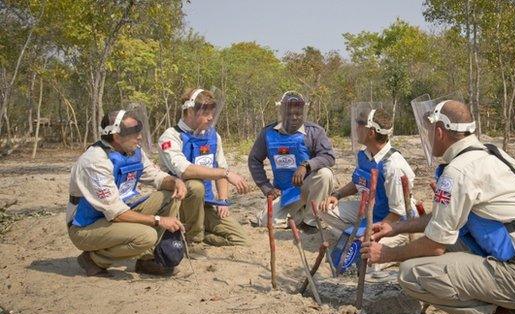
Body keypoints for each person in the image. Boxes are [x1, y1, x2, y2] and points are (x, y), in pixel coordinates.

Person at [362, 99, 515, 314]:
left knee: (412, 273)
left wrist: (388, 254)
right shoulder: (490, 155)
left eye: (428, 131)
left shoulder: (458, 171)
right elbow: (443, 221)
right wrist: (397, 227)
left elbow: (435, 245)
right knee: (450, 243)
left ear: (439, 132)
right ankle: (505, 310)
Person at [67, 109, 187, 277]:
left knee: (170, 196)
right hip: (86, 225)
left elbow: (156, 176)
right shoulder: (95, 161)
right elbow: (115, 213)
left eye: (139, 131)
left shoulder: (134, 151)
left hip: (120, 210)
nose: (139, 137)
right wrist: (158, 220)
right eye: (134, 133)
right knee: (146, 236)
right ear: (116, 136)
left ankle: (147, 261)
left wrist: (175, 181)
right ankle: (94, 260)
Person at [318, 106, 416, 274]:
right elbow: (358, 182)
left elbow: (397, 212)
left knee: (367, 261)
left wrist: (372, 233)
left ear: (371, 132)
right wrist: (337, 195)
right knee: (325, 210)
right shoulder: (365, 155)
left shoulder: (393, 166)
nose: (356, 128)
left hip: (397, 222)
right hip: (372, 210)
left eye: (360, 124)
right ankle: (359, 235)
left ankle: (395, 247)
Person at [158, 88, 250, 252]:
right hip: (178, 204)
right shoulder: (170, 137)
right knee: (195, 184)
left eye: (212, 112)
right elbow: (184, 170)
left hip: (206, 203)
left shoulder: (213, 136)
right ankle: (193, 240)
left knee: (240, 239)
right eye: (206, 113)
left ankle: (197, 232)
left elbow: (220, 166)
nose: (210, 117)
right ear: (190, 111)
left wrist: (222, 200)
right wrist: (226, 174)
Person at [248, 91, 335, 231]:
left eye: (298, 114)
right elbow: (254, 160)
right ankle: (297, 217)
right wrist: (266, 187)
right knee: (267, 222)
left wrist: (307, 165)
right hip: (284, 193)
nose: (294, 118)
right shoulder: (268, 133)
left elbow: (328, 156)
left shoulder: (315, 131)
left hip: (308, 189)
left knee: (325, 174)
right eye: (289, 114)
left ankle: (310, 221)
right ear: (281, 112)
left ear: (303, 113)